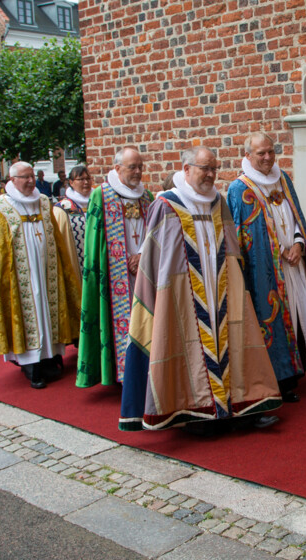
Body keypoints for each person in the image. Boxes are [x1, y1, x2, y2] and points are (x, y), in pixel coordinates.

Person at [121, 146, 281, 433]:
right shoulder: (166, 204)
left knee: (234, 343)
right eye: (204, 168)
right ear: (186, 169)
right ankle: (191, 410)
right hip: (181, 295)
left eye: (213, 169)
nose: (209, 174)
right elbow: (155, 257)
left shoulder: (218, 202)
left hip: (222, 291)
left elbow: (232, 249)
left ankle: (240, 406)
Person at [227, 132, 306, 403]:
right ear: (247, 156)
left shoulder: (283, 179)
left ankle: (296, 370)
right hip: (266, 270)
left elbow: (295, 218)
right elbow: (244, 234)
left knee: (296, 314)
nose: (268, 157)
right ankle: (278, 379)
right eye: (261, 153)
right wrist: (281, 250)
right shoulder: (240, 189)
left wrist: (299, 244)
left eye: (271, 151)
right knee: (275, 317)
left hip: (293, 262)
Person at [0, 161, 81, 389]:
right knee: (30, 311)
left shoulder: (44, 202)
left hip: (47, 271)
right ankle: (30, 363)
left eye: (31, 177)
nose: (30, 181)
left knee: (47, 309)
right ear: (12, 179)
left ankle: (49, 356)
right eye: (24, 177)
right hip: (20, 276)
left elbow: (55, 239)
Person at [76, 150, 155, 388]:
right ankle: (121, 373)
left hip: (143, 271)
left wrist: (142, 255)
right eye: (132, 167)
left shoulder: (147, 197)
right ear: (118, 168)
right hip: (113, 276)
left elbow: (154, 232)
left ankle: (146, 367)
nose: (138, 171)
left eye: (140, 166)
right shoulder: (101, 195)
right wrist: (121, 262)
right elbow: (94, 241)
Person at [52, 165, 93, 279]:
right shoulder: (62, 209)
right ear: (71, 182)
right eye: (81, 179)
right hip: (75, 264)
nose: (86, 182)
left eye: (88, 178)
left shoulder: (99, 203)